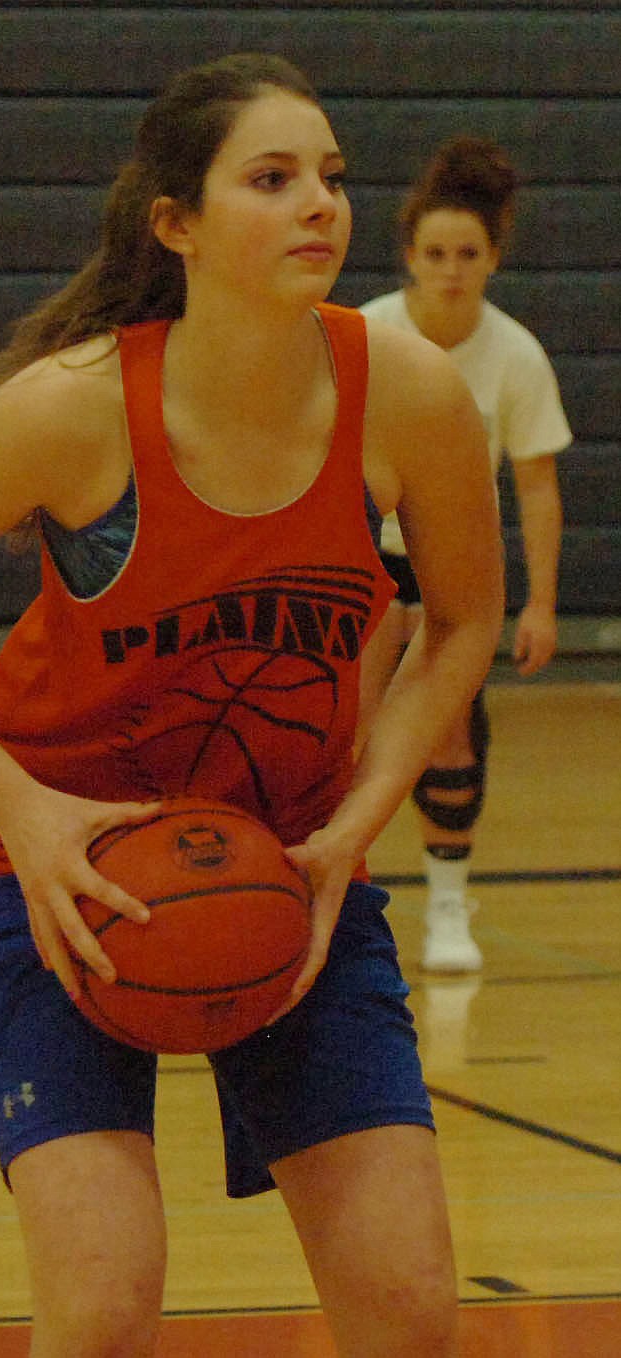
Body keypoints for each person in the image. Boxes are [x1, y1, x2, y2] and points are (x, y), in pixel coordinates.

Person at [0, 54, 504, 1358]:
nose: (319, 207)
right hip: (55, 872)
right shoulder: (72, 411)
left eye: (333, 180)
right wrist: (21, 811)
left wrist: (359, 816)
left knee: (408, 1314)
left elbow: (461, 619)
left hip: (287, 865)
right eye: (272, 178)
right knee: (106, 1310)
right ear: (173, 222)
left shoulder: (404, 394)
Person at [358, 136, 572, 975]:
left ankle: (449, 905)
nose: (451, 269)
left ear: (493, 260)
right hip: (362, 556)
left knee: (446, 729)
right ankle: (344, 890)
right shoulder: (365, 336)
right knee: (349, 726)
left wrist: (542, 604)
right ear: (410, 256)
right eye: (435, 253)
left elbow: (539, 489)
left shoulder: (515, 355)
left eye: (468, 254)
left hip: (454, 564)